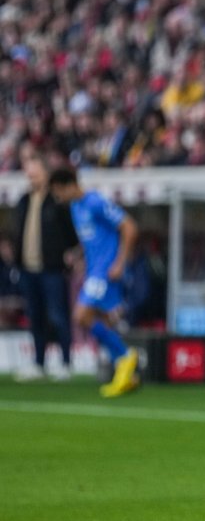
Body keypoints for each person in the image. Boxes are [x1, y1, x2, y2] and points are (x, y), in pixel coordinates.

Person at [48, 166, 139, 397]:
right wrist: (77, 253)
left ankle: (125, 357)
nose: (59, 198)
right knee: (104, 320)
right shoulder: (75, 207)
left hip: (105, 272)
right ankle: (127, 374)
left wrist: (120, 262)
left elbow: (129, 227)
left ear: (70, 185)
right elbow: (93, 238)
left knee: (81, 316)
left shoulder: (95, 202)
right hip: (94, 272)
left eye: (59, 193)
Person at [12, 154, 79, 381]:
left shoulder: (57, 202)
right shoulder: (24, 200)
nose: (31, 176)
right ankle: (38, 363)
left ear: (45, 173)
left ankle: (66, 362)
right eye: (28, 172)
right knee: (35, 317)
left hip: (52, 269)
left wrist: (70, 256)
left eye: (35, 171)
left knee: (58, 315)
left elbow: (71, 236)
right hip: (27, 268)